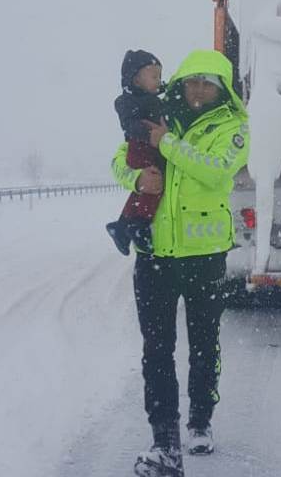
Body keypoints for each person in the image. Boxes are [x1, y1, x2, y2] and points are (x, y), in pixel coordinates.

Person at [111, 49, 249, 477]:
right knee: (157, 350)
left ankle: (200, 421)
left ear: (221, 88)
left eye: (208, 83)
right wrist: (136, 178)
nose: (199, 89)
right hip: (154, 254)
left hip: (204, 257)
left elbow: (216, 171)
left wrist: (165, 144)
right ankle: (165, 443)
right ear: (182, 83)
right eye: (192, 81)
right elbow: (119, 158)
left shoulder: (235, 127)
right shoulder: (157, 113)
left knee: (204, 344)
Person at [106, 50, 169, 256]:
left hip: (149, 149)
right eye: (154, 77)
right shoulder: (126, 102)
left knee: (141, 191)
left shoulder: (151, 99)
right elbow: (129, 126)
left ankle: (122, 226)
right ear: (136, 80)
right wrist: (148, 134)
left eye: (160, 76)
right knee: (154, 185)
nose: (159, 81)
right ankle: (140, 224)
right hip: (140, 149)